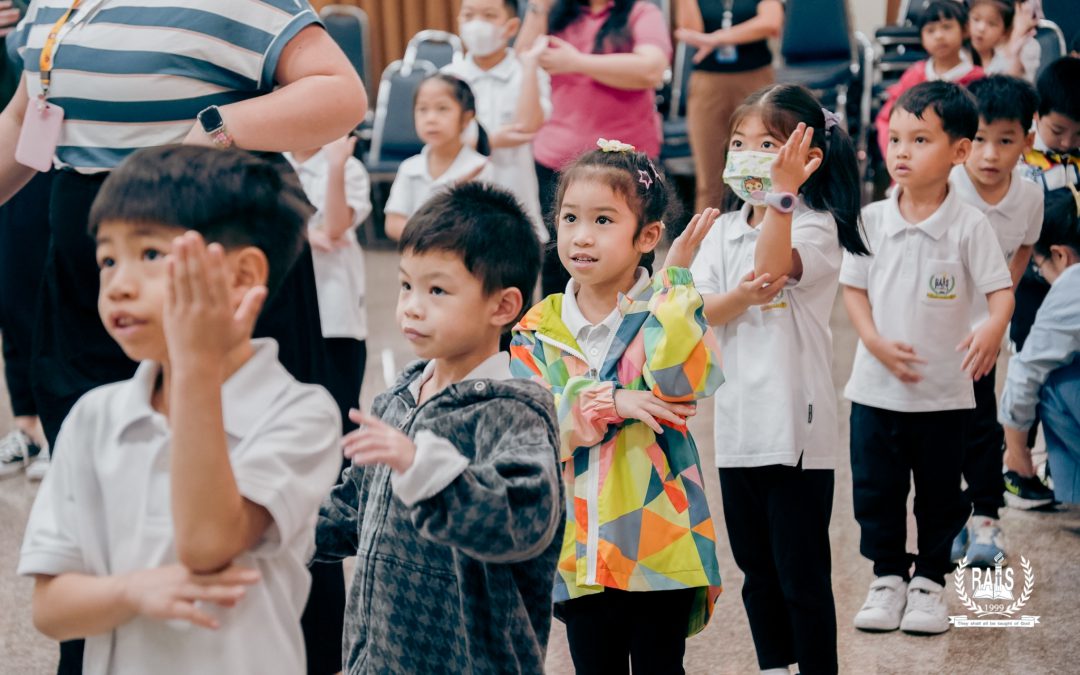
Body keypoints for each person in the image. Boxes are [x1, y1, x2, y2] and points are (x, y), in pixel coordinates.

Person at [1, 5, 366, 672]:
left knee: (246, 477)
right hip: (89, 268)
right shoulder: (59, 6)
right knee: (99, 474)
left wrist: (211, 136)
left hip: (204, 253)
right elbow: (24, 122)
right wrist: (117, 258)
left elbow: (341, 94)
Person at [314, 182, 563, 673]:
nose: (411, 305)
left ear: (503, 307)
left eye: (437, 290)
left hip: (471, 660)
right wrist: (271, 526)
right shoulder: (397, 399)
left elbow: (521, 519)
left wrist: (422, 466)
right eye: (407, 285)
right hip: (380, 655)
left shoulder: (512, 410)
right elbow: (352, 509)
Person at [664, 84, 868, 675]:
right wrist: (736, 298)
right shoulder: (723, 231)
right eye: (738, 143)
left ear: (806, 159)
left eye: (766, 144)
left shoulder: (813, 225)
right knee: (756, 569)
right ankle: (773, 666)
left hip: (795, 433)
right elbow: (695, 310)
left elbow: (775, 269)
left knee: (800, 573)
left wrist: (782, 197)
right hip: (736, 428)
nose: (747, 155)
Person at [510, 141, 724, 673]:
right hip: (579, 548)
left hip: (659, 543)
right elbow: (531, 426)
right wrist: (614, 400)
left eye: (603, 220)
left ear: (648, 236)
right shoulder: (537, 328)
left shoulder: (668, 306)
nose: (581, 236)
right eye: (569, 218)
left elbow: (682, 385)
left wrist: (675, 285)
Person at [842, 81, 1014, 636]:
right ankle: (888, 576)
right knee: (876, 491)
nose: (902, 152)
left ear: (959, 152)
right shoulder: (870, 218)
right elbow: (854, 288)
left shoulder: (968, 226)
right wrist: (870, 340)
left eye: (920, 139)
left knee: (941, 494)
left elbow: (1000, 291)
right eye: (895, 139)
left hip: (943, 396)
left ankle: (930, 584)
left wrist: (992, 328)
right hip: (875, 392)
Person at [947, 75, 1045, 564]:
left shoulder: (1028, 197)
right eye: (980, 139)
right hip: (937, 328)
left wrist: (996, 311)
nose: (989, 154)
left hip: (984, 333)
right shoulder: (948, 186)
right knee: (941, 430)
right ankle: (948, 519)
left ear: (1028, 141)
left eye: (1005, 141)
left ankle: (986, 516)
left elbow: (1024, 247)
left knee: (981, 423)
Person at [517, 0, 673, 295]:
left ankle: (631, 332)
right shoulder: (559, 14)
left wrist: (577, 62)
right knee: (558, 259)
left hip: (625, 165)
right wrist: (538, 7)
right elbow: (523, 58)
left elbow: (652, 68)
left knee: (629, 257)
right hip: (556, 158)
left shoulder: (640, 12)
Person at [443, 0, 552, 242]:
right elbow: (439, 140)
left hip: (516, 198)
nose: (476, 24)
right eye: (468, 15)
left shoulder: (526, 72)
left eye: (489, 15)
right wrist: (491, 140)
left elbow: (527, 126)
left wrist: (530, 66)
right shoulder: (449, 77)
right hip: (462, 201)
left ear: (511, 27)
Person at [285, 134, 372, 434]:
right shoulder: (272, 162)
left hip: (335, 308)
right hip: (286, 303)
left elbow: (335, 228)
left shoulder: (349, 168)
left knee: (340, 409)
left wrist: (336, 165)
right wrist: (305, 235)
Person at [1000, 189, 1080, 505]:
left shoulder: (1072, 283)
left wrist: (1017, 451)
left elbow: (1026, 371)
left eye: (1040, 265)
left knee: (1051, 383)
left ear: (1060, 255)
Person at [674, 0, 784, 212]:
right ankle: (707, 242)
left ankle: (765, 236)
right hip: (708, 82)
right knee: (709, 181)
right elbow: (691, 31)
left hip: (755, 79)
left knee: (762, 170)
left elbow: (771, 23)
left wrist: (716, 39)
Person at [383, 73, 495, 240]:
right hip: (417, 260)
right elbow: (393, 224)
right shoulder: (409, 168)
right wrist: (433, 236)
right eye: (423, 109)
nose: (431, 119)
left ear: (466, 118)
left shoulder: (480, 169)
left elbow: (480, 227)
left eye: (442, 108)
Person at [875, 0, 985, 159]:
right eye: (931, 30)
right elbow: (887, 118)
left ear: (965, 29)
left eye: (947, 27)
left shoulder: (977, 79)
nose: (939, 36)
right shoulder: (914, 75)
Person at [968, 0, 1040, 82]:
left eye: (992, 24)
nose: (981, 28)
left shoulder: (1024, 49)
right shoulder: (962, 52)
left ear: (1005, 31)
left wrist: (1016, 37)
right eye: (976, 19)